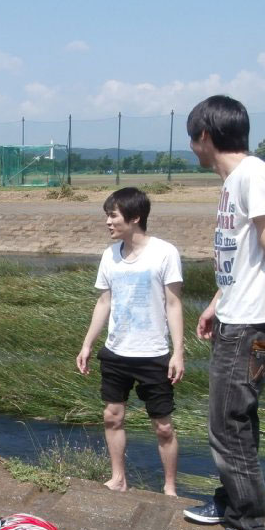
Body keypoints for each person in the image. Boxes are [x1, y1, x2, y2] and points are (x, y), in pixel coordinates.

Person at [182, 95, 265, 530]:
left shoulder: (252, 177)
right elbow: (243, 257)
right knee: (233, 418)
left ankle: (248, 527)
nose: (192, 150)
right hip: (235, 316)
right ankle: (231, 500)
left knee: (228, 425)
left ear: (206, 137)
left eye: (193, 140)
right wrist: (217, 301)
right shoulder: (239, 179)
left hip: (252, 323)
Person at [76, 187, 185, 497]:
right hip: (116, 353)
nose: (108, 222)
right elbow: (104, 302)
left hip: (154, 354)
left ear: (135, 217)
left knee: (163, 426)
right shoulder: (109, 256)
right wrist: (87, 344)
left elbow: (174, 304)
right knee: (112, 416)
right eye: (107, 216)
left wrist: (178, 352)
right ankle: (119, 478)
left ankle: (169, 488)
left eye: (113, 215)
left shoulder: (165, 253)